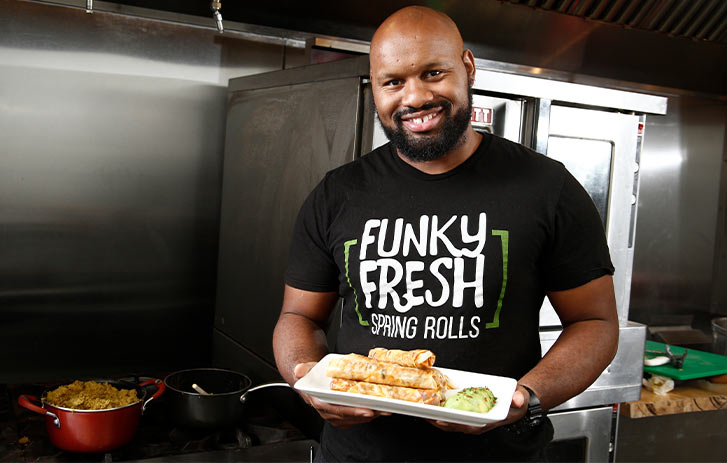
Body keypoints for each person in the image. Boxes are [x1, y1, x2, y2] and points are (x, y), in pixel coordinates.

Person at [273, 6, 619, 462]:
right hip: (359, 454)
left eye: (433, 73)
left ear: (468, 67)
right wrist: (305, 376)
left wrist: (527, 397)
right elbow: (299, 317)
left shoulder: (547, 187)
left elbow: (594, 324)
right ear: (375, 87)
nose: (414, 98)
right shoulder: (337, 193)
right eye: (393, 81)